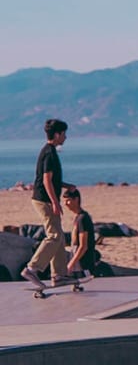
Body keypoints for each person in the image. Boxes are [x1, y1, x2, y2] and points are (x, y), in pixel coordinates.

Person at [21, 119, 78, 288]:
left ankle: (59, 276)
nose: (66, 138)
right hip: (43, 200)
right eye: (64, 134)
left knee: (58, 236)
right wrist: (55, 202)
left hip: (46, 199)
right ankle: (32, 269)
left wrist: (67, 185)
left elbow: (53, 180)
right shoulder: (49, 153)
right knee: (53, 236)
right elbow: (46, 181)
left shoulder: (51, 151)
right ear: (57, 134)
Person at [63, 188, 96, 278]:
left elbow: (83, 246)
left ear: (76, 199)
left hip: (84, 264)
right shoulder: (78, 217)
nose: (65, 204)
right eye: (64, 201)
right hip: (78, 263)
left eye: (68, 201)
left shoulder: (83, 218)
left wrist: (71, 263)